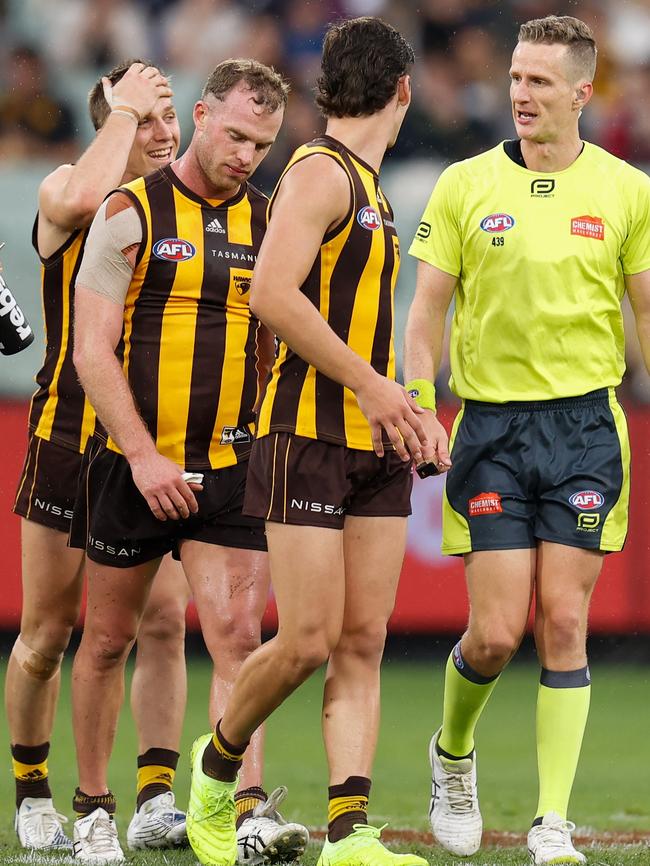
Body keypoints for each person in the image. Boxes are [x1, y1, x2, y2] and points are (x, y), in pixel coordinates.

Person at [404, 14, 650, 866]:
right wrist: (412, 399)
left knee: (567, 622)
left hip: (585, 425)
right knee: (498, 633)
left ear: (584, 93)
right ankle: (455, 754)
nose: (520, 93)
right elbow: (426, 312)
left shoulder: (626, 189)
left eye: (540, 82)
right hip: (492, 429)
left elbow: (646, 314)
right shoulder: (465, 185)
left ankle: (552, 822)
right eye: (515, 77)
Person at [184, 18, 430, 866]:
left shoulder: (371, 185)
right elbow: (274, 297)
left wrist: (409, 409)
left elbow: (359, 322)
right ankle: (215, 774)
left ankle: (350, 832)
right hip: (308, 432)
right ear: (403, 89)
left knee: (365, 639)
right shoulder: (321, 172)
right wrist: (370, 385)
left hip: (374, 441)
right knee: (306, 641)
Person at [70, 58, 309, 866]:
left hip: (231, 467)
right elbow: (90, 350)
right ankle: (96, 807)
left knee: (240, 636)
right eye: (236, 134)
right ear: (199, 114)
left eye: (263, 144)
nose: (246, 154)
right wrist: (141, 456)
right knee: (107, 641)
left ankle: (237, 811)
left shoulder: (271, 221)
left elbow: (276, 341)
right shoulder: (127, 210)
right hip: (132, 467)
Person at [8, 60, 191, 853]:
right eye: (146, 119)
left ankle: (155, 796)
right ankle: (30, 786)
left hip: (151, 446)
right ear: (112, 121)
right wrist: (124, 114)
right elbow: (84, 198)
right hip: (67, 439)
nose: (164, 132)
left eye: (169, 116)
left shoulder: (187, 206)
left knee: (163, 624)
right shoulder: (66, 188)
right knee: (48, 634)